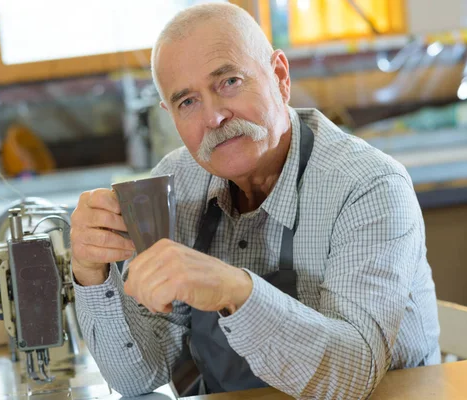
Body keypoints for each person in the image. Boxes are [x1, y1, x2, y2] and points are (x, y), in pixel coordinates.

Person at [70, 3, 440, 399]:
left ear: (280, 75)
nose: (213, 117)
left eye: (228, 81)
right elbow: (135, 380)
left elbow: (353, 376)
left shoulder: (369, 186)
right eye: (187, 102)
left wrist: (234, 290)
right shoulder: (174, 184)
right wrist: (91, 272)